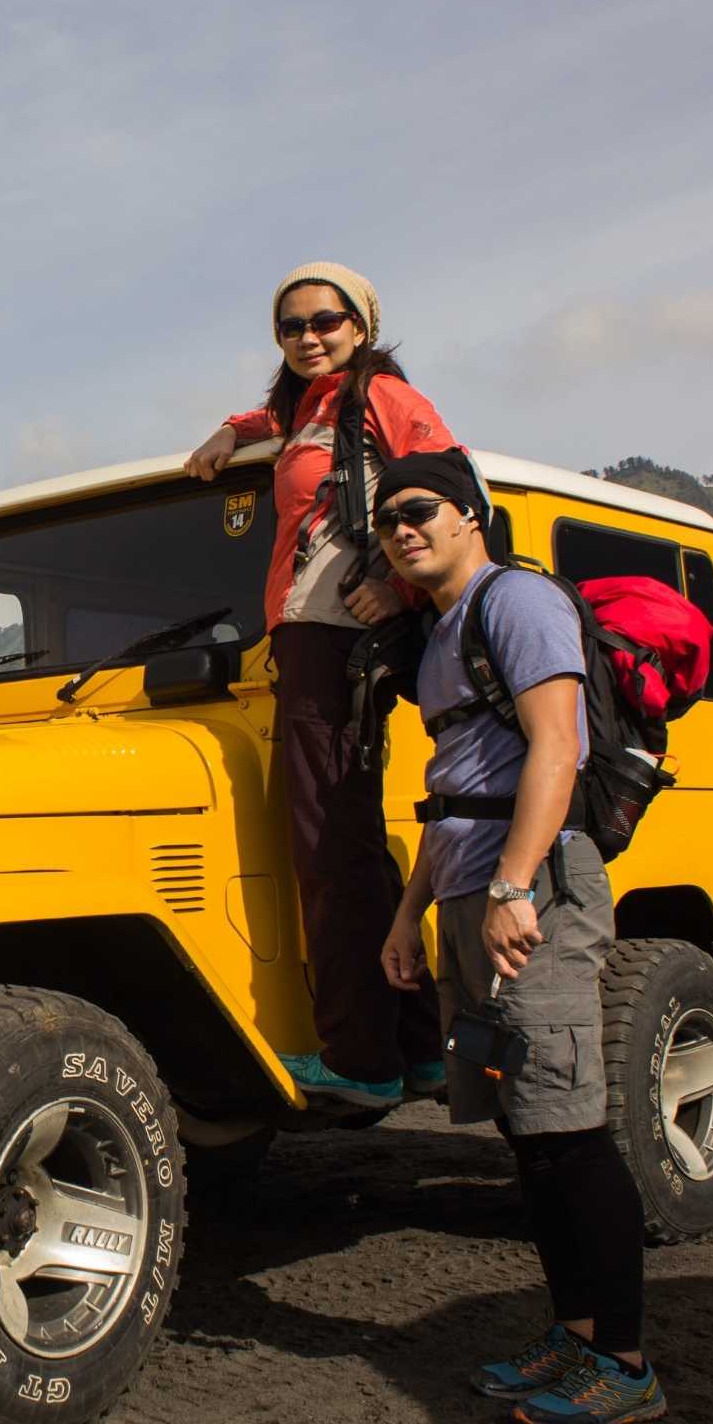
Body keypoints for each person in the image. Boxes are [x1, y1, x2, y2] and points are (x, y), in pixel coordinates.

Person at [373, 450, 664, 1424]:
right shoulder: (440, 631)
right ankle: (576, 1334)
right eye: (386, 520)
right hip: (468, 889)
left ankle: (624, 1362)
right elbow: (449, 789)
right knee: (525, 1130)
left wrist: (512, 886)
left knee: (570, 1130)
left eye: (420, 510)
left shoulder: (517, 600)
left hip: (529, 886)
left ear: (469, 516)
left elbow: (558, 743)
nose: (402, 528)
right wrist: (410, 912)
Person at [185, 262, 453, 1107]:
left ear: (360, 323)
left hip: (334, 634)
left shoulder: (383, 397)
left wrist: (401, 587)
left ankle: (359, 1058)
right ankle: (415, 1047)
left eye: (325, 321)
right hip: (304, 632)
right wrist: (235, 428)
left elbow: (451, 489)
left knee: (324, 845)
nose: (309, 335)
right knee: (352, 846)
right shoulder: (306, 410)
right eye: (290, 325)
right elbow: (274, 419)